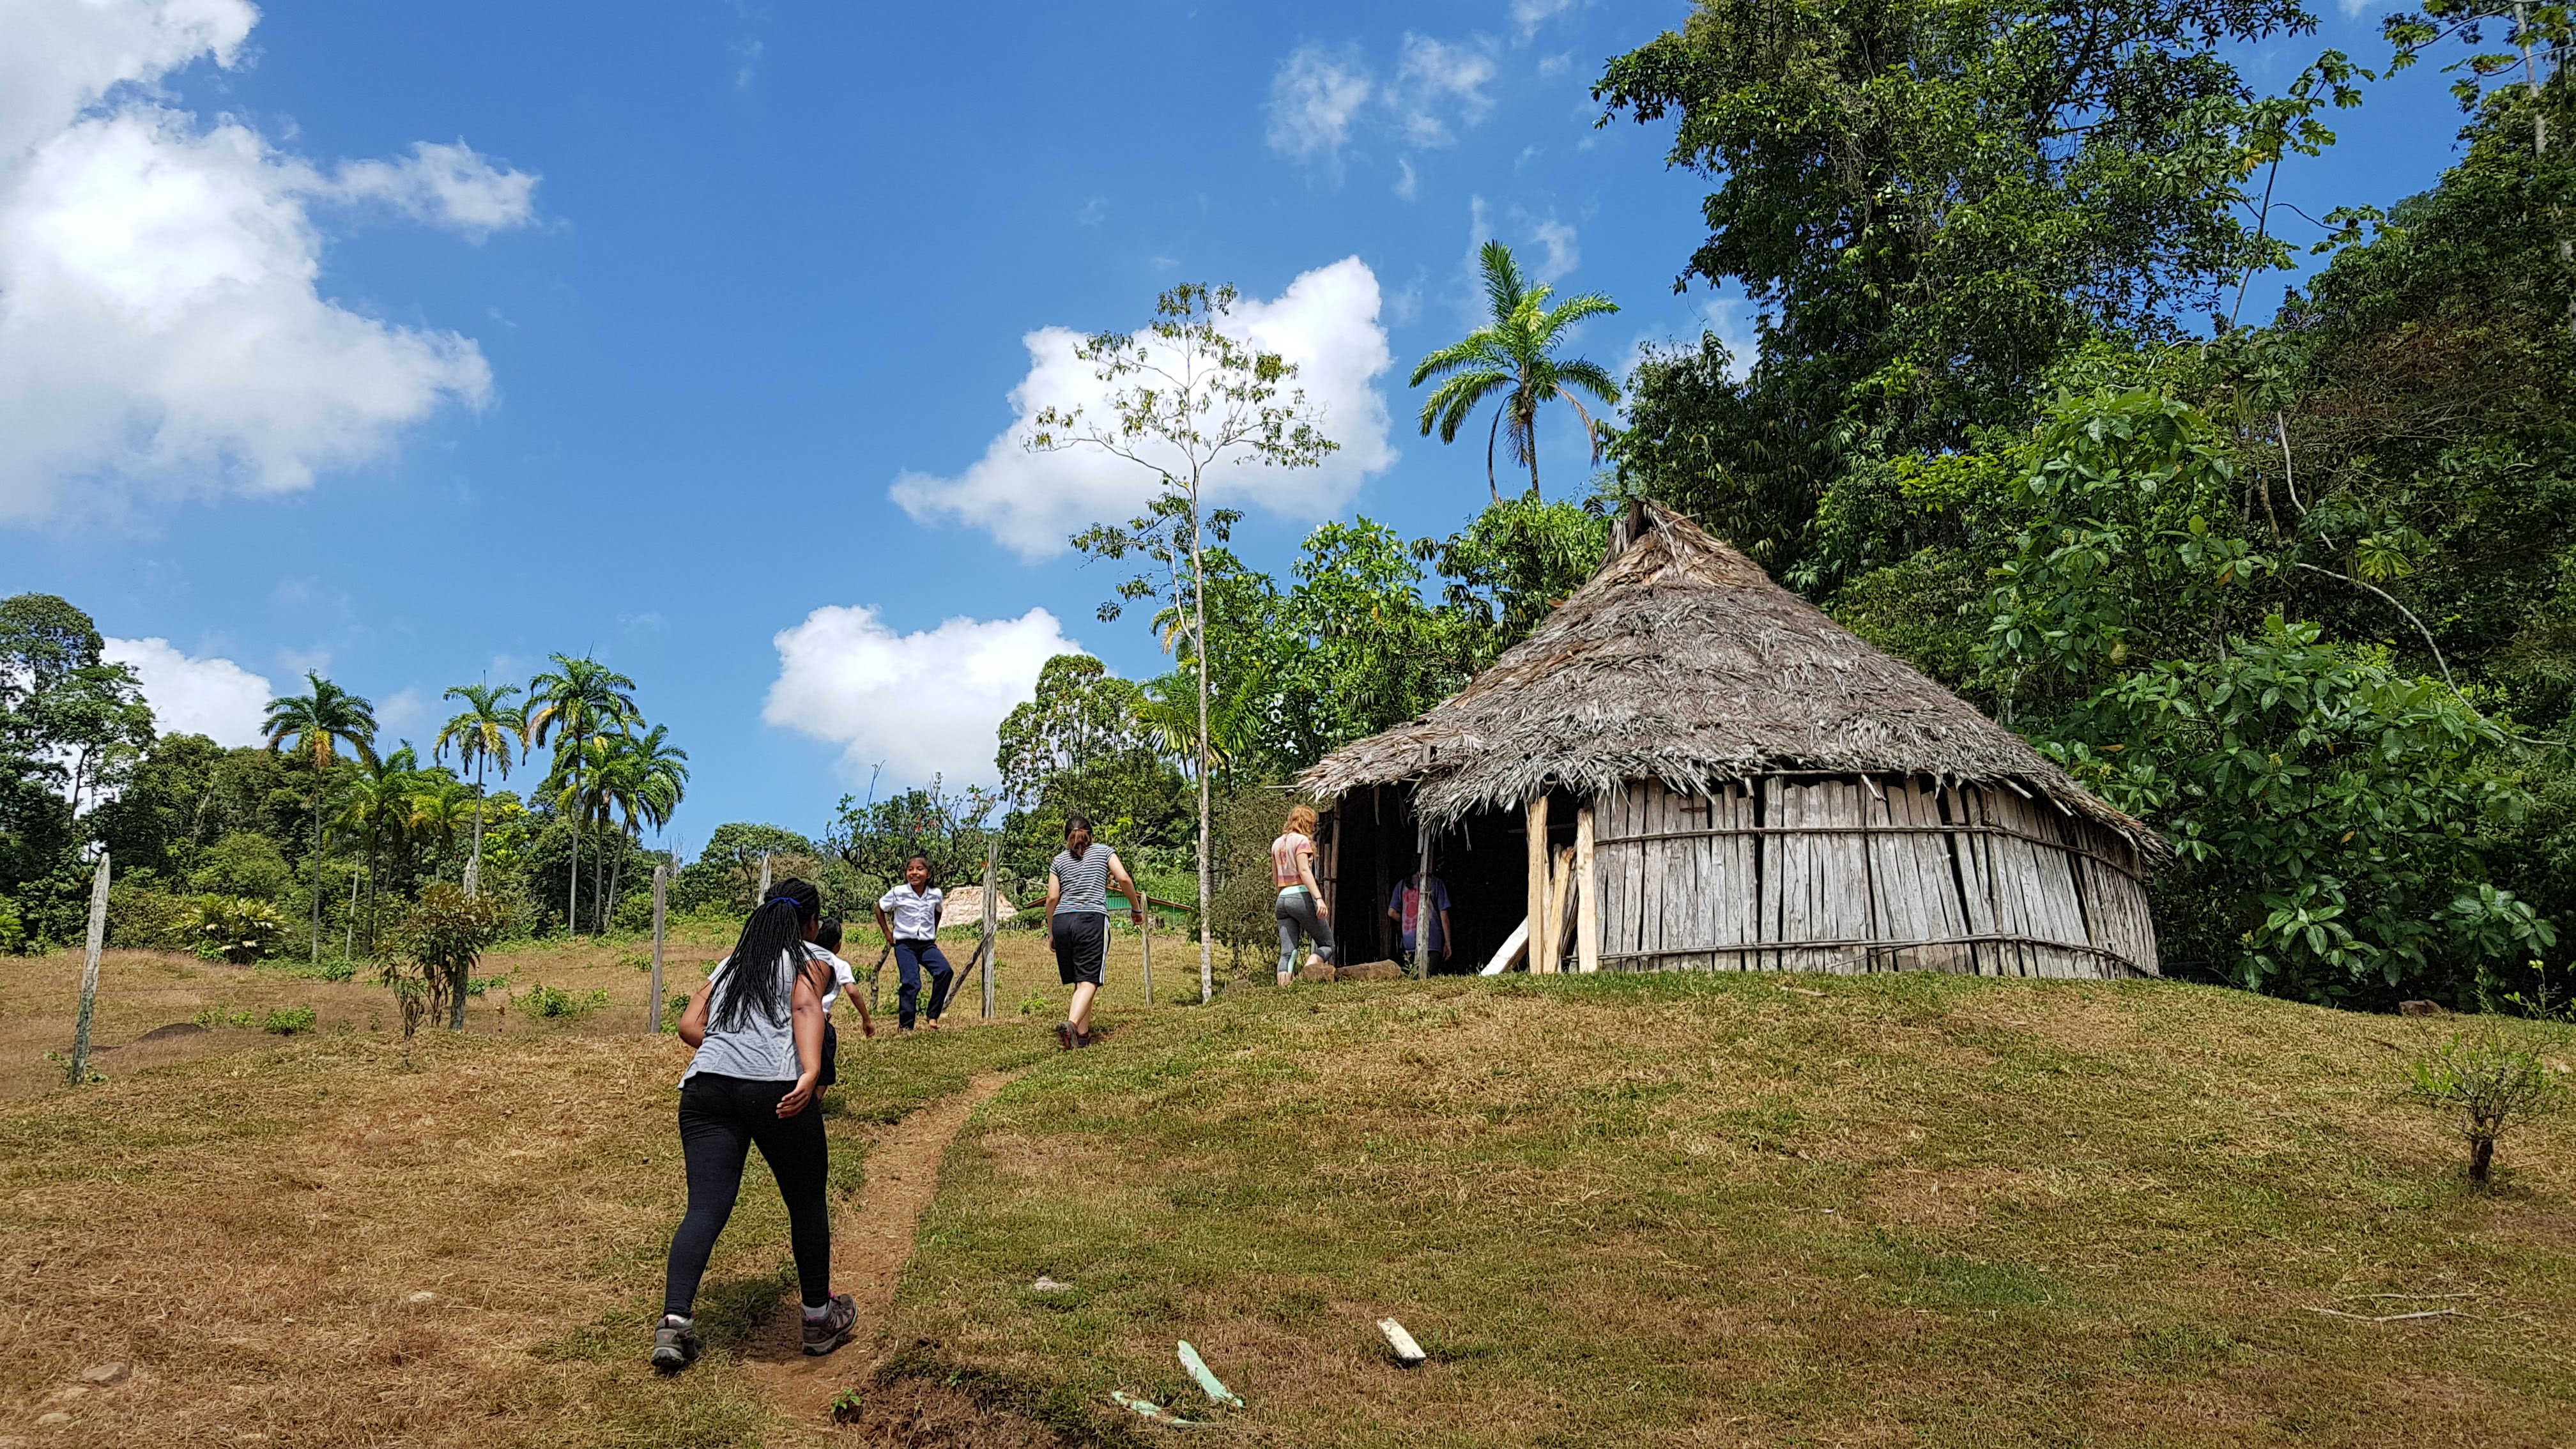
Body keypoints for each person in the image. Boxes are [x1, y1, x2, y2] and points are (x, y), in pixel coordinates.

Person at [654, 879, 856, 1373]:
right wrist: (809, 1072)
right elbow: (807, 1008)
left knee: (704, 1206)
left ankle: (674, 1323)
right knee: (806, 1200)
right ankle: (816, 1319)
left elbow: (688, 1026)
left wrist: (732, 1045)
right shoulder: (813, 960)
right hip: (774, 1088)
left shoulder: (731, 966)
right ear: (811, 924)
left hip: (707, 1088)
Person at [1046, 813, 1143, 1049]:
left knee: (1081, 981)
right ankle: (1070, 1025)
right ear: (1091, 834)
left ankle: (1082, 1035)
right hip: (1091, 919)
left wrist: (1051, 932)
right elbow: (1123, 878)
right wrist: (1136, 907)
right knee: (1090, 980)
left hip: (1062, 922)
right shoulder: (1103, 852)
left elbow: (1052, 897)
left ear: (1066, 837)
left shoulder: (1058, 861)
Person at [873, 855, 952, 1032]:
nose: (914, 873)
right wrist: (887, 933)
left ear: (928, 874)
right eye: (910, 869)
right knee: (911, 982)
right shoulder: (898, 892)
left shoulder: (935, 894)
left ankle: (932, 1015)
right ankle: (906, 1026)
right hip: (904, 944)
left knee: (945, 971)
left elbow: (938, 911)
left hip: (926, 944)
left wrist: (933, 931)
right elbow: (879, 908)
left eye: (919, 869)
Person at [1272, 804, 1334, 986]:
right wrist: (1319, 898)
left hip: (1282, 898)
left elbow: (1276, 878)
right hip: (1300, 895)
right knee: (1327, 945)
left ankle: (1283, 988)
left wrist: (1284, 896)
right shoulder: (1301, 841)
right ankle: (1308, 974)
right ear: (1307, 823)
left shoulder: (1276, 844)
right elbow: (1304, 871)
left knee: (1287, 952)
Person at [809, 917, 875, 1088]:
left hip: (797, 1016)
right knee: (826, 1065)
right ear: (838, 944)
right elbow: (852, 991)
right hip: (820, 1021)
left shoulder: (804, 958)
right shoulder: (839, 964)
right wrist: (866, 1019)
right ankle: (815, 1103)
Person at [1387, 867, 1453, 973]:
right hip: (1432, 940)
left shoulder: (1402, 885)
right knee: (1429, 979)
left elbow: (1391, 913)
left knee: (1413, 979)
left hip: (1409, 941)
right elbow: (1444, 915)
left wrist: (1406, 919)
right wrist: (1448, 942)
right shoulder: (1436, 883)